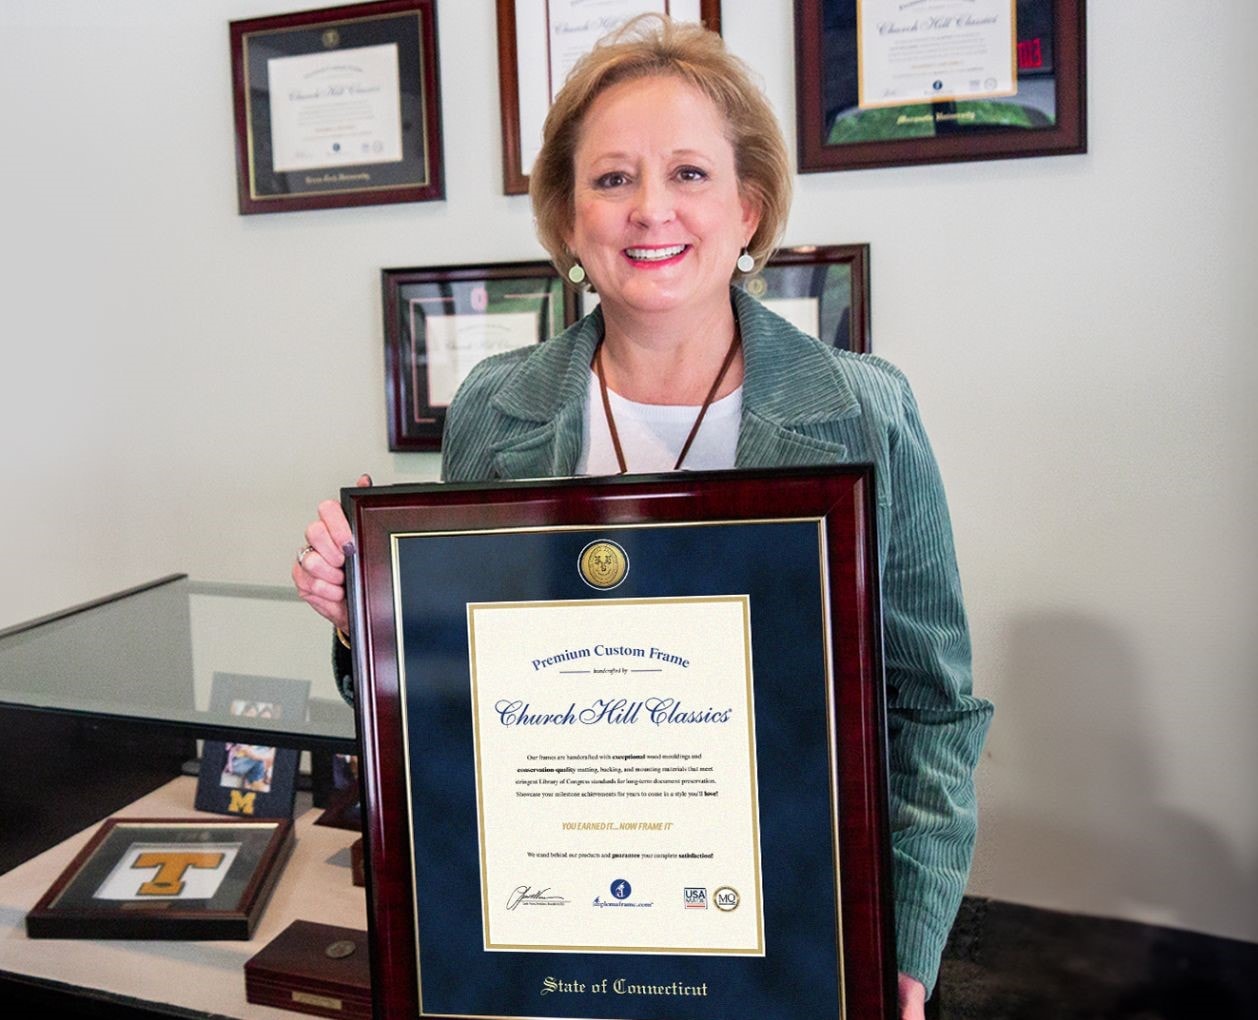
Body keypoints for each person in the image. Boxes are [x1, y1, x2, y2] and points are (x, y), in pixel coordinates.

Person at [292, 15, 991, 1017]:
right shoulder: (497, 410)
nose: (649, 209)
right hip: (556, 931)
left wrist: (903, 953)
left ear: (748, 207)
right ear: (569, 221)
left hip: (800, 929)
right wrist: (368, 619)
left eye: (690, 175)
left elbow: (930, 711)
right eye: (612, 179)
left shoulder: (864, 410)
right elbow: (456, 706)